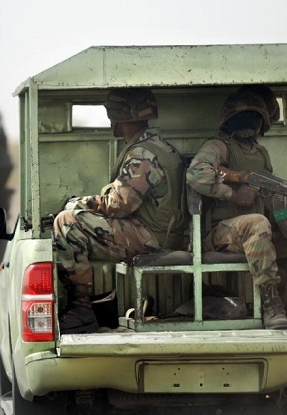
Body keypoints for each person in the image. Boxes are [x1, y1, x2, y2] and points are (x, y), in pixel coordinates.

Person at [186, 86, 287, 329]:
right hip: (221, 234)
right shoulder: (218, 146)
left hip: (260, 232)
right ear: (229, 121)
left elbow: (269, 197)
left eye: (255, 117)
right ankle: (271, 303)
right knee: (258, 222)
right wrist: (234, 194)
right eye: (243, 117)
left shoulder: (261, 154)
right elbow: (195, 174)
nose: (249, 123)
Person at [53, 88, 188, 334]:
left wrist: (77, 203)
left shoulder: (143, 153)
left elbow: (120, 203)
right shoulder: (158, 147)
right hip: (160, 232)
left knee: (67, 222)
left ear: (121, 116)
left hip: (152, 238)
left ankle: (82, 310)